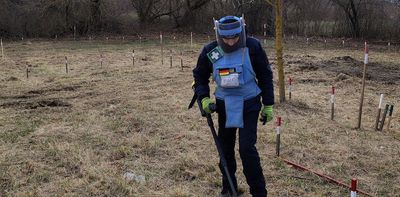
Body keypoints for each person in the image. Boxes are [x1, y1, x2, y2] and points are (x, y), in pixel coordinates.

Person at [192, 15, 274, 197]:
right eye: (226, 38)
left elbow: (265, 76)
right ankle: (229, 188)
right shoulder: (213, 51)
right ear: (219, 35)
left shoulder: (252, 47)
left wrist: (268, 104)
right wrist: (204, 98)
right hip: (224, 106)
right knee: (225, 149)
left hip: (250, 104)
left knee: (247, 149)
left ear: (242, 31)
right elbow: (199, 75)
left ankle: (259, 192)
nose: (230, 42)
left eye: (235, 37)